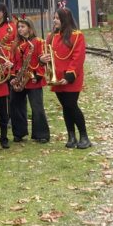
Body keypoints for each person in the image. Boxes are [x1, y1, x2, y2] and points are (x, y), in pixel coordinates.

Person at [41, 8, 90, 149]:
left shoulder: (77, 35)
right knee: (66, 107)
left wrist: (69, 77)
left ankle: (84, 136)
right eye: (54, 18)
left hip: (71, 77)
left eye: (57, 18)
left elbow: (78, 58)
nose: (54, 20)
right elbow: (45, 53)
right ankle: (71, 136)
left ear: (64, 19)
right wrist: (42, 59)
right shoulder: (52, 36)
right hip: (57, 77)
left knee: (71, 105)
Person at [10, 17, 50, 143]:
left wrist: (38, 75)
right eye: (19, 27)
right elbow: (12, 62)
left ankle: (41, 134)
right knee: (15, 106)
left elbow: (43, 61)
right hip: (19, 79)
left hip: (33, 79)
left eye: (23, 27)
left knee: (37, 107)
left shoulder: (38, 42)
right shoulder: (15, 44)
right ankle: (19, 133)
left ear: (30, 28)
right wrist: (12, 76)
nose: (20, 29)